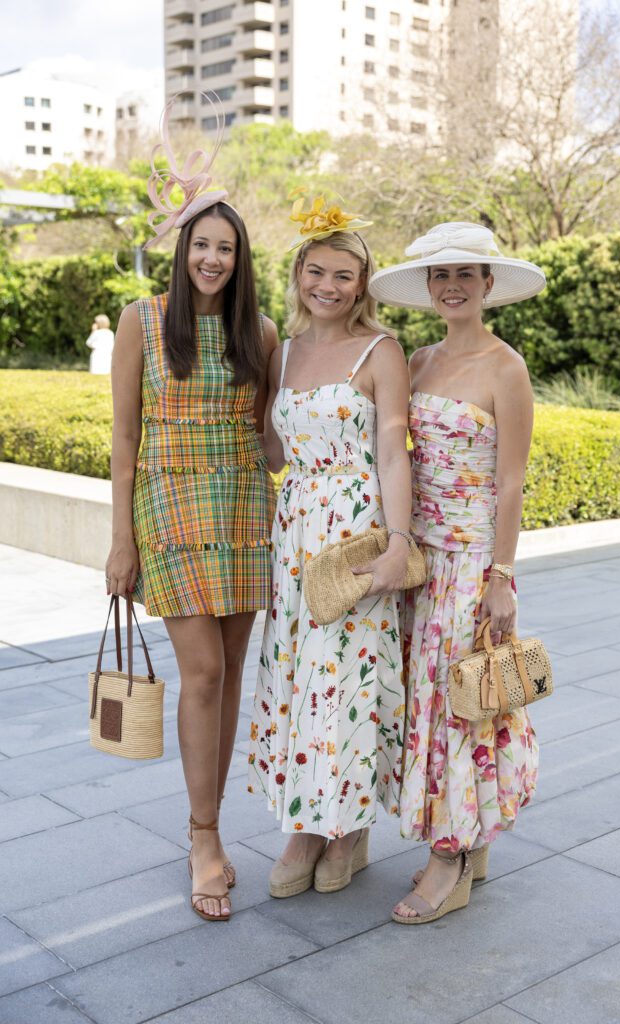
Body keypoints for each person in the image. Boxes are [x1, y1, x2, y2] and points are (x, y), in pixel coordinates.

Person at [105, 98, 277, 923]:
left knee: (232, 671)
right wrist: (119, 544)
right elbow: (123, 437)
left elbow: (272, 434)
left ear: (241, 262)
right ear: (183, 252)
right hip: (169, 511)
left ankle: (213, 824)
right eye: (202, 245)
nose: (213, 258)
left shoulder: (263, 334)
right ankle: (203, 834)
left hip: (246, 506)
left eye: (226, 249)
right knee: (200, 672)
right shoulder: (142, 324)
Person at [369, 222, 544, 924]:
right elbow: (395, 455)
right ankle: (468, 839)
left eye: (464, 275)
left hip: (472, 563)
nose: (450, 286)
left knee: (459, 706)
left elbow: (510, 484)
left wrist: (502, 576)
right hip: (420, 560)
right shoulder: (414, 360)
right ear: (427, 288)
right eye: (439, 277)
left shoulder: (507, 368)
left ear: (487, 284)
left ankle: (449, 859)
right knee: (427, 702)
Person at [248, 193, 412, 897]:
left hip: (355, 531)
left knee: (346, 679)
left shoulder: (381, 350)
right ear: (297, 273)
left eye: (343, 275)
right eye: (316, 271)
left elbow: (393, 451)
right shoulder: (279, 354)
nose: (327, 286)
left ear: (362, 283)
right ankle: (303, 823)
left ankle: (345, 827)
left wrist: (398, 542)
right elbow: (272, 448)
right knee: (296, 678)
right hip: (294, 531)